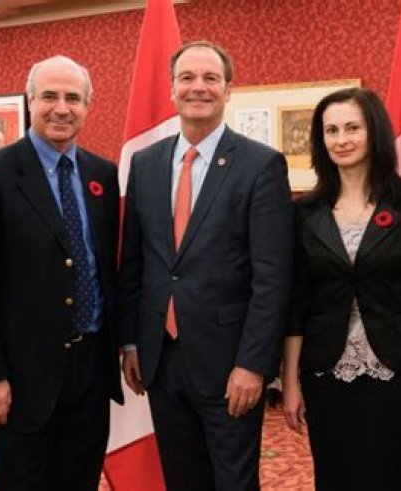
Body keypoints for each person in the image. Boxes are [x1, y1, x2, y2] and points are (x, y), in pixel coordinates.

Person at [118, 40, 294, 490]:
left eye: (210, 78)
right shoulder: (145, 164)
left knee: (234, 482)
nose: (198, 87)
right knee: (182, 480)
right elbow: (135, 262)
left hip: (229, 364)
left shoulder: (261, 165)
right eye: (187, 78)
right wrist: (131, 342)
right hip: (161, 360)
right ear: (171, 89)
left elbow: (272, 277)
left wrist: (253, 364)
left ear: (228, 90)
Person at [0, 55, 123, 490]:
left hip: (91, 371)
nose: (61, 108)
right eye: (49, 96)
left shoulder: (103, 175)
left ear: (87, 106)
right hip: (21, 376)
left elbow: (108, 270)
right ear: (30, 101)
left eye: (73, 98)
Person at [281, 87, 401, 491]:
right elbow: (297, 303)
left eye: (352, 128)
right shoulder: (303, 212)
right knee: (337, 478)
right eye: (331, 130)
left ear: (374, 132)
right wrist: (290, 382)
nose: (342, 139)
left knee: (399, 478)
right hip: (327, 374)